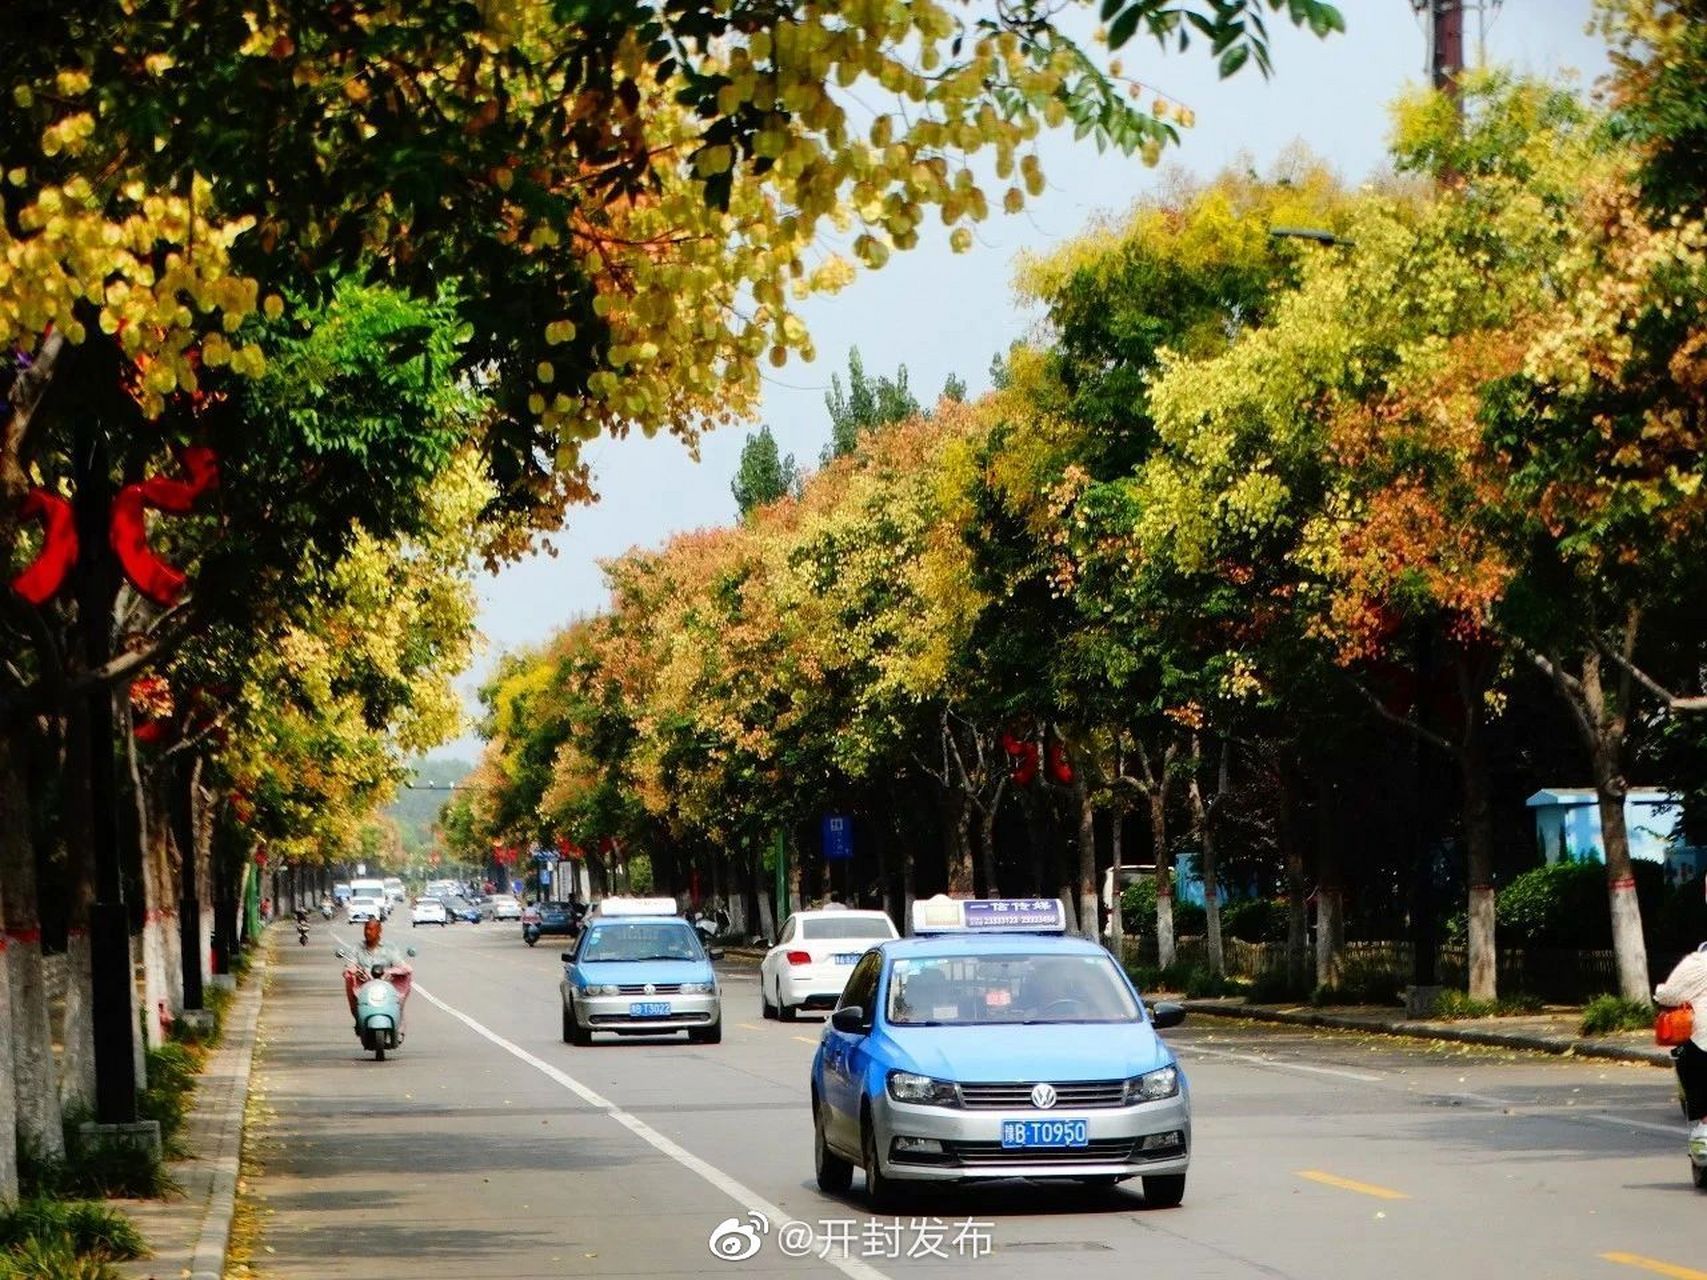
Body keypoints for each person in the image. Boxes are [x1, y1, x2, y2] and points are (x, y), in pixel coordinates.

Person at [1655, 941, 1707, 1149]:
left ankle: (1704, 1123)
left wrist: (1660, 990)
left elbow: (1669, 995)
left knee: (1686, 1056)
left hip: (1703, 1044)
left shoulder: (1697, 963)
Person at [344, 917, 413, 1021]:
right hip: (364, 987)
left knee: (398, 1003)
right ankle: (359, 1019)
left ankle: (398, 1023)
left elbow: (400, 965)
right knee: (349, 979)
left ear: (379, 930)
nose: (368, 932)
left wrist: (398, 970)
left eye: (371, 929)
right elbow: (351, 964)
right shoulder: (357, 948)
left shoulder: (389, 948)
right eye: (366, 929)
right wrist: (354, 971)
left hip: (386, 987)